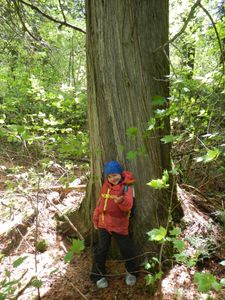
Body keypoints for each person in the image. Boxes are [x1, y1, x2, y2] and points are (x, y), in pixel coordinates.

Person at [90, 160, 139, 289]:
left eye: (115, 175)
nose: (113, 178)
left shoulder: (127, 187)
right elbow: (100, 204)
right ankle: (97, 275)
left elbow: (128, 206)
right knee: (101, 249)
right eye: (109, 176)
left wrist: (120, 201)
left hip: (119, 225)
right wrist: (95, 219)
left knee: (127, 249)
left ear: (120, 174)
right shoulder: (105, 186)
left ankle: (132, 272)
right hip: (103, 224)